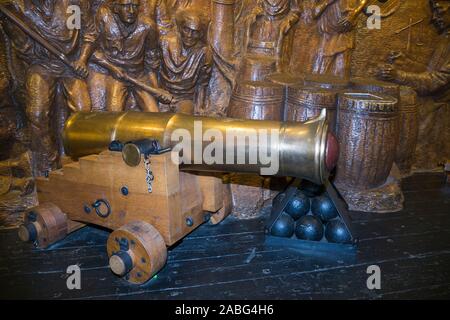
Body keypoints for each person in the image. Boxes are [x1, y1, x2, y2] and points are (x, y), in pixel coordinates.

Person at [0, 0, 94, 176]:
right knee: (36, 114)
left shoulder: (74, 4)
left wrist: (82, 59)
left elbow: (90, 33)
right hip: (41, 65)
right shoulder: (19, 8)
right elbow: (24, 48)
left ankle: (85, 164)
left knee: (84, 113)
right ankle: (48, 166)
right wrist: (11, 27)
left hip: (71, 65)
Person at [377, 0, 449, 171]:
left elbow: (435, 81)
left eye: (439, 11)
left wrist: (398, 75)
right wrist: (405, 62)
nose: (434, 17)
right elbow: (432, 71)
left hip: (437, 114)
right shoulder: (446, 38)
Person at [85, 0, 165, 112]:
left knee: (154, 113)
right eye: (126, 6)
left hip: (138, 76)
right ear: (116, 8)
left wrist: (156, 89)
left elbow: (151, 62)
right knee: (114, 111)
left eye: (135, 6)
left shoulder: (148, 26)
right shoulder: (104, 18)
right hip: (117, 76)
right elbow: (92, 50)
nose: (131, 11)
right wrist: (112, 68)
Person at [159, 7, 212, 114]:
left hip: (184, 99)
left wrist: (200, 107)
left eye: (195, 32)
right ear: (180, 28)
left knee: (183, 123)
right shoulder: (165, 43)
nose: (189, 35)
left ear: (201, 33)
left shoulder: (204, 52)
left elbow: (202, 83)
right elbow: (151, 68)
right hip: (161, 95)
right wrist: (157, 91)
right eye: (186, 29)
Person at [312, 0, 368, 78]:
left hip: (346, 31)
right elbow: (314, 13)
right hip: (328, 34)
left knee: (343, 69)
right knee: (321, 69)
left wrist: (354, 13)